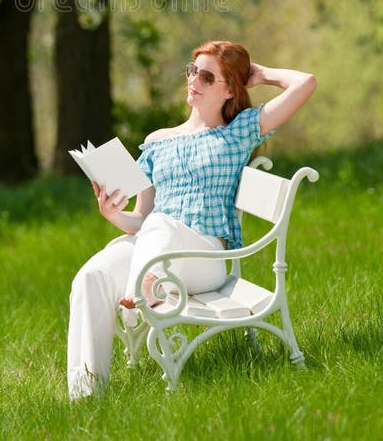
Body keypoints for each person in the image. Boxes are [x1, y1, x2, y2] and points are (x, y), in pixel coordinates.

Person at [67, 40, 317, 400]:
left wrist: (260, 74)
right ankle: (86, 396)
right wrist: (112, 214)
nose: (194, 79)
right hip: (154, 250)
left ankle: (141, 291)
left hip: (205, 258)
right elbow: (142, 218)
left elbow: (306, 83)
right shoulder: (157, 142)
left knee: (162, 226)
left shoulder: (239, 131)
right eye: (192, 70)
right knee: (92, 276)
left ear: (229, 89)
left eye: (206, 75)